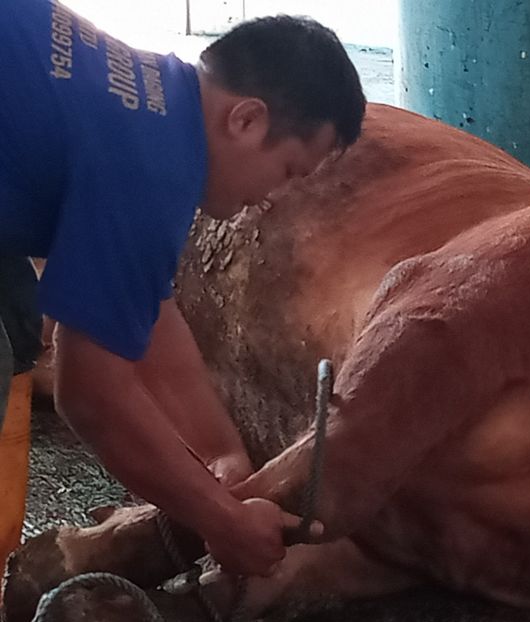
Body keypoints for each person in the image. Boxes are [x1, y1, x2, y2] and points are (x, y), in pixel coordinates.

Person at [0, 0, 366, 582]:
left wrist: (221, 452)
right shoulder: (154, 167)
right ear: (246, 120)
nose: (275, 197)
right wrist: (221, 519)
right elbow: (91, 393)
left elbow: (142, 306)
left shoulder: (153, 101)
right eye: (289, 171)